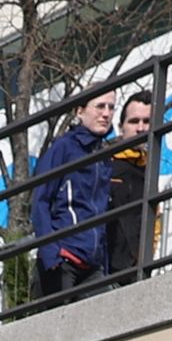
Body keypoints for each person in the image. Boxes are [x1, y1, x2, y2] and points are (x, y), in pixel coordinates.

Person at [32, 86, 118, 304]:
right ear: (80, 112)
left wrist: (104, 266)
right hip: (63, 259)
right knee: (56, 333)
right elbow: (41, 200)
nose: (106, 113)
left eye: (111, 107)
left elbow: (101, 213)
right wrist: (52, 254)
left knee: (106, 322)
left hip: (92, 265)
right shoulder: (63, 148)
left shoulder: (104, 156)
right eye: (99, 106)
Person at [104, 92, 159, 283]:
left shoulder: (150, 174)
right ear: (121, 128)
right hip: (104, 273)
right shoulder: (104, 166)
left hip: (136, 276)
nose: (141, 128)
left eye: (147, 121)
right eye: (134, 121)